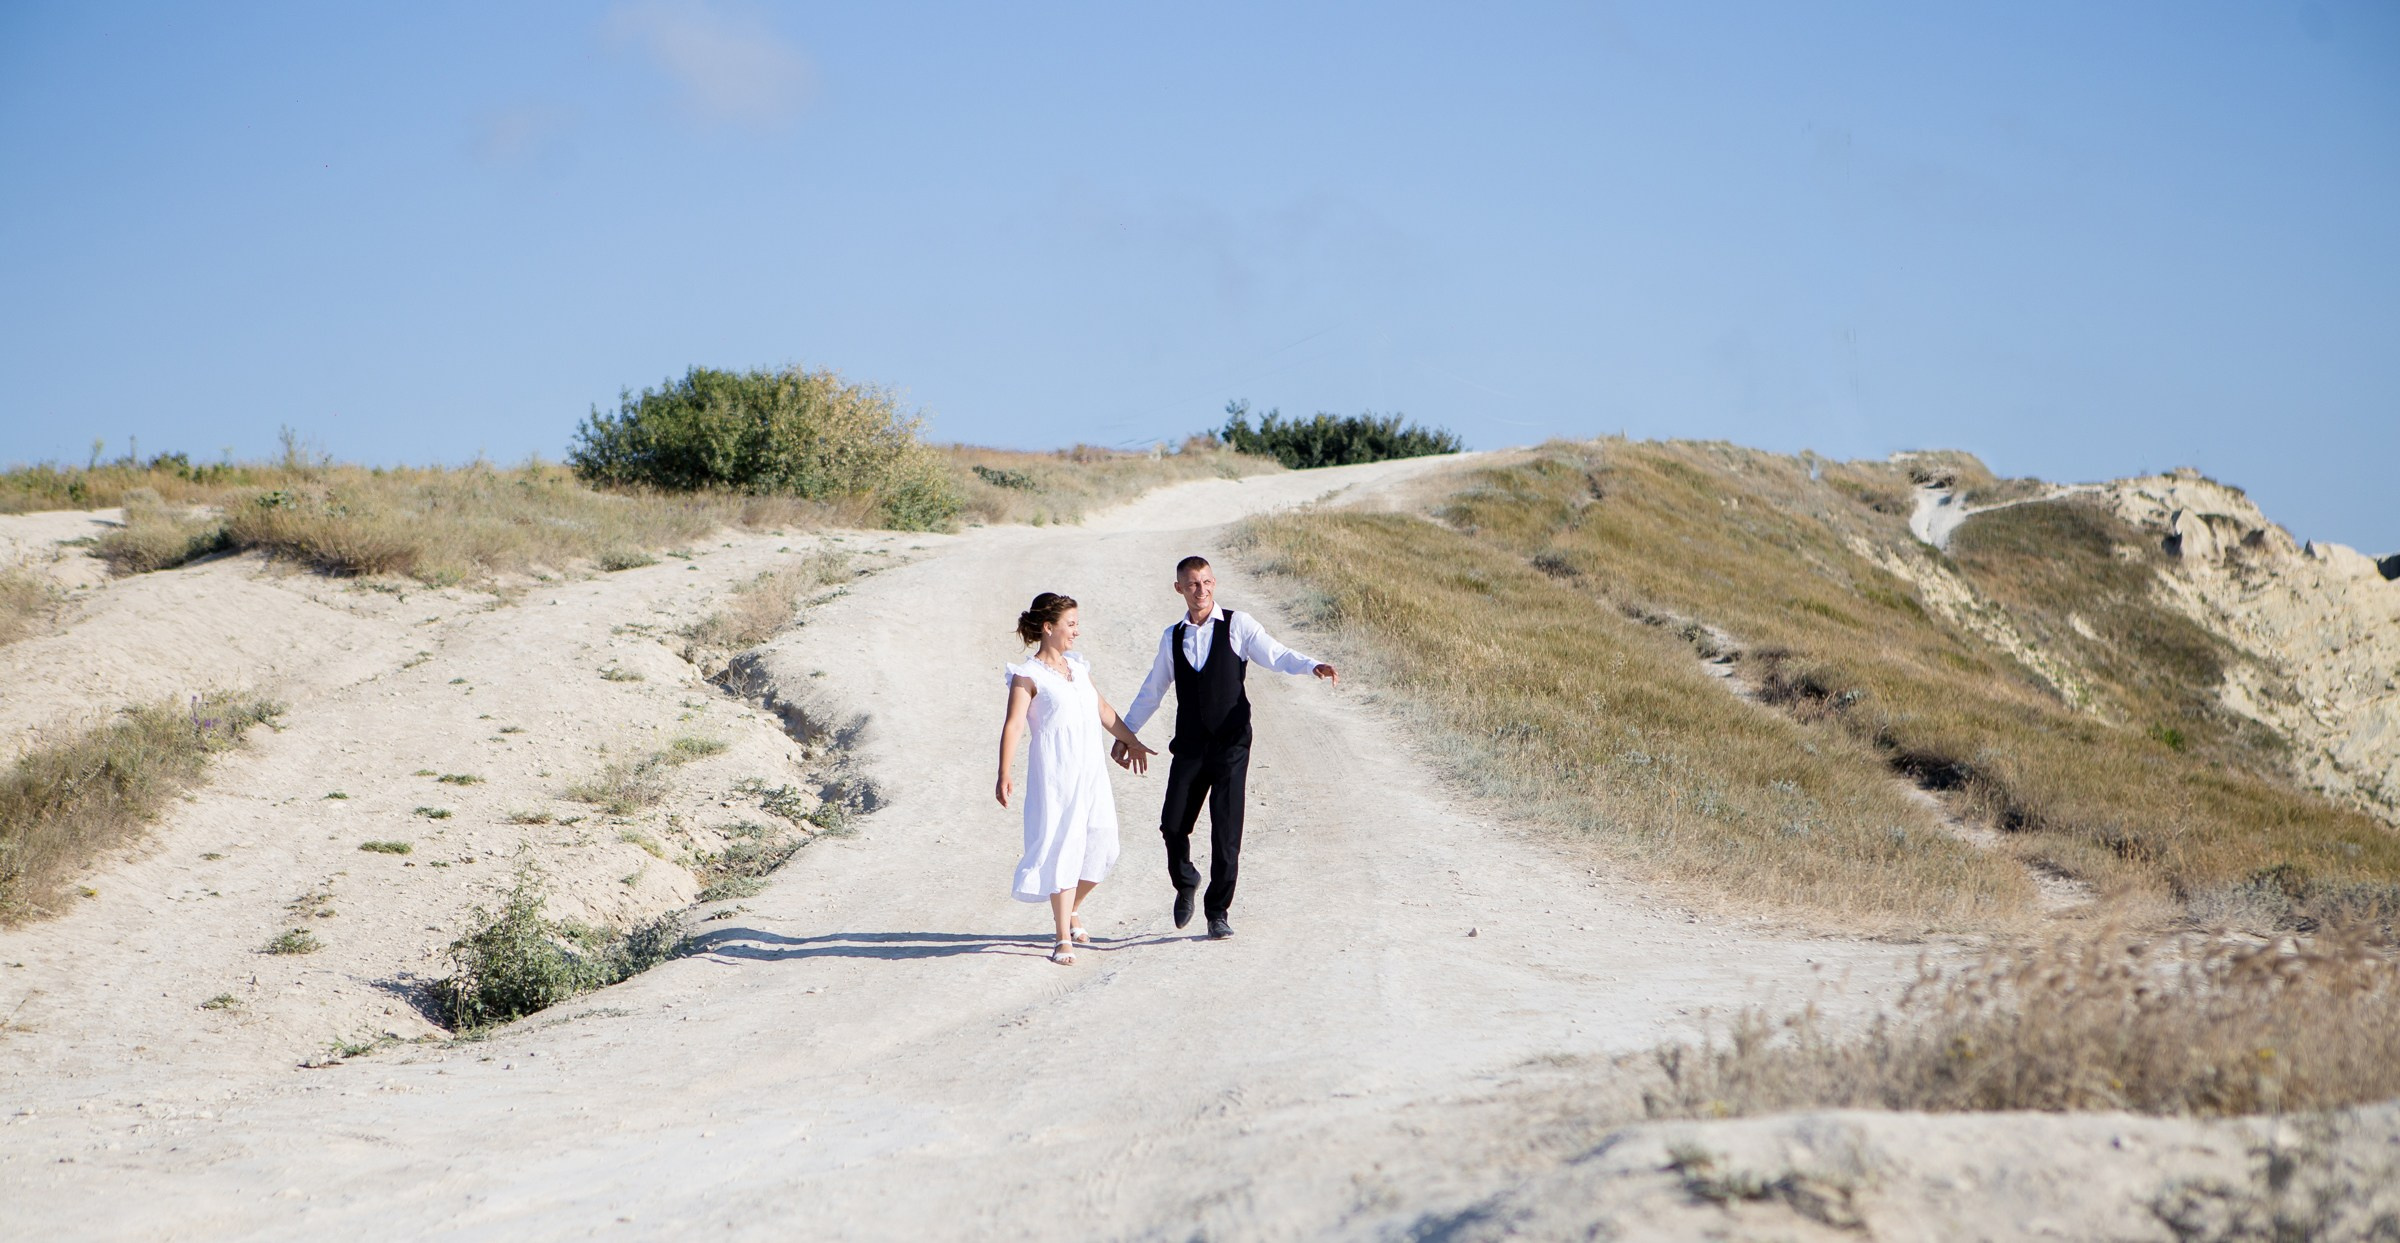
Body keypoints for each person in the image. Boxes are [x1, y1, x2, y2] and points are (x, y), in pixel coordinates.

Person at [1112, 556, 1336, 940]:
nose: (1201, 591)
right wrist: (1126, 734)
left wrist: (1311, 665)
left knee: (1225, 830)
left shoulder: (1238, 625)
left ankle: (1218, 911)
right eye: (1192, 584)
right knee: (1172, 823)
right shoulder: (1173, 637)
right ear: (1179, 588)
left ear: (1214, 583)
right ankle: (1186, 880)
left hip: (1231, 744)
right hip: (1191, 746)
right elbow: (1153, 690)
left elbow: (1275, 653)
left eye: (1206, 583)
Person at [995, 592, 1155, 965]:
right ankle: (1061, 936)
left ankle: (1072, 909)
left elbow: (1102, 709)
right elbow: (1014, 724)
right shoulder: (1028, 675)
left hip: (1090, 772)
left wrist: (1132, 741)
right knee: (1063, 848)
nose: (1076, 632)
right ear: (1048, 628)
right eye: (1070, 625)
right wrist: (1004, 771)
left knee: (1104, 846)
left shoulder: (1078, 668)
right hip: (1056, 775)